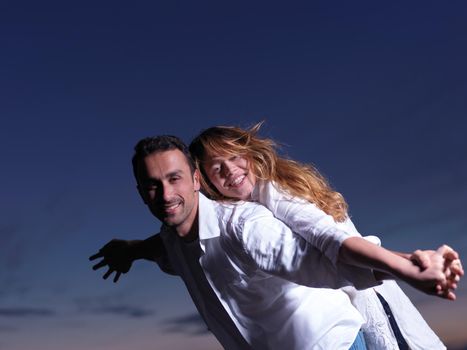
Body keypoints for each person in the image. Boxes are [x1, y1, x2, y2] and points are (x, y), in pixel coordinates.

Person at [90, 135, 459, 350]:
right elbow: (160, 249)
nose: (165, 194)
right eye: (152, 185)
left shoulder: (245, 225)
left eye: (174, 179)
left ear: (196, 180)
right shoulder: (172, 240)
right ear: (140, 192)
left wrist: (409, 266)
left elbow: (323, 257)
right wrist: (130, 250)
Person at [187, 122, 464, 349]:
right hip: (359, 290)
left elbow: (330, 239)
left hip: (365, 295)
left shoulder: (272, 193)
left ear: (249, 153)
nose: (230, 171)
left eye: (234, 156)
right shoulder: (267, 192)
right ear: (207, 181)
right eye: (216, 167)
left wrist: (407, 267)